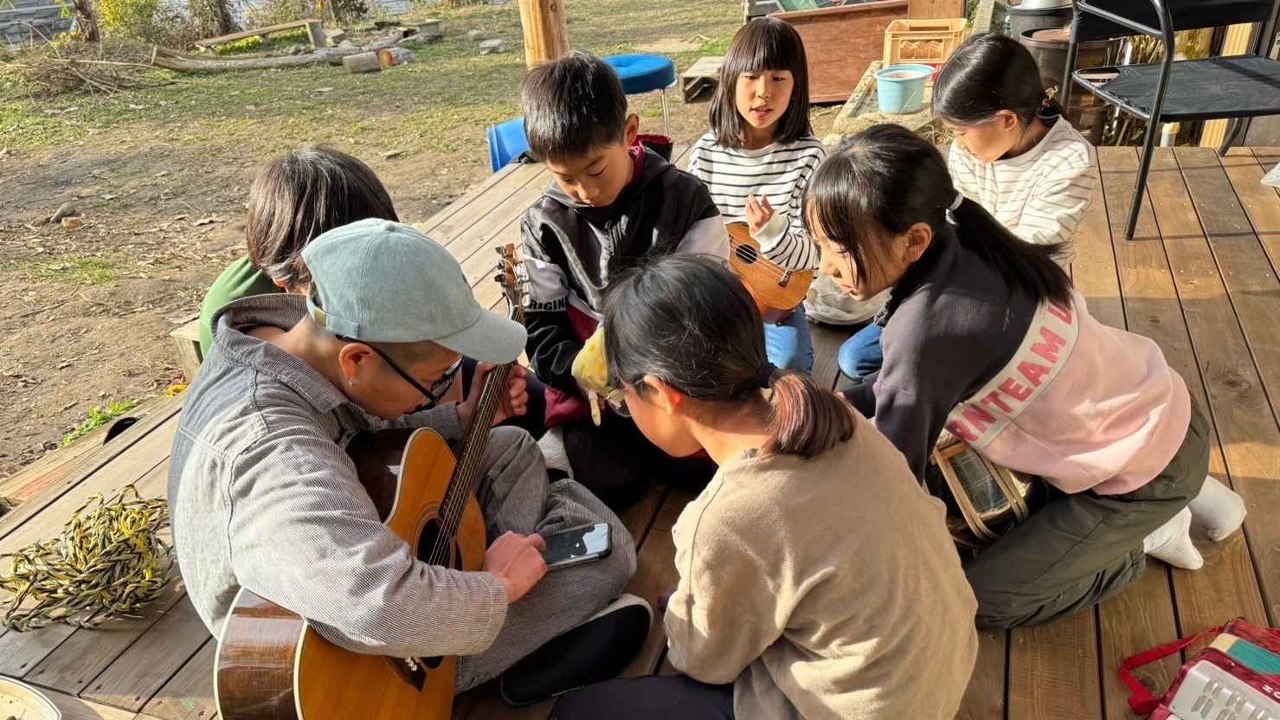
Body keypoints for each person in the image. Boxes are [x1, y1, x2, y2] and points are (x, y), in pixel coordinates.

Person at [169, 219, 650, 703]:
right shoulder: (276, 455)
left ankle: (499, 595)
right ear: (356, 360)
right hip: (354, 663)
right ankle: (501, 631)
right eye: (437, 379)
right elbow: (379, 608)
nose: (441, 388)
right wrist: (498, 584)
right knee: (609, 552)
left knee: (510, 447)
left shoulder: (300, 342)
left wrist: (459, 417)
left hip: (344, 555)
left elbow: (355, 437)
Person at [806, 124, 1247, 629]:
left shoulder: (926, 332)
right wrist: (840, 405)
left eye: (839, 249)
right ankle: (1181, 494)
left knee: (976, 601)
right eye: (820, 244)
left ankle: (1139, 541)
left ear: (914, 241)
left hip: (1136, 478)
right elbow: (897, 389)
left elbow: (892, 477)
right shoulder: (970, 240)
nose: (825, 267)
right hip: (1158, 408)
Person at [551, 255, 978, 720]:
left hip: (860, 708)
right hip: (936, 671)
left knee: (580, 711)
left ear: (661, 393)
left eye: (623, 396)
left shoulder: (726, 517)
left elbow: (701, 660)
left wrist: (687, 615)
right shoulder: (832, 413)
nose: (625, 408)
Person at [195, 146, 545, 435]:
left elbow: (417, 373)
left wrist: (457, 410)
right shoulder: (252, 349)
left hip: (390, 367)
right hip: (374, 382)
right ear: (288, 285)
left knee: (529, 399)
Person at [519, 51, 729, 508]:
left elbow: (708, 311)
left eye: (596, 169)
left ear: (630, 132)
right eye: (565, 178)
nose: (586, 190)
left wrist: (648, 383)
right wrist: (581, 375)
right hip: (596, 394)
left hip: (672, 377)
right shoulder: (544, 224)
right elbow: (543, 330)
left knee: (712, 466)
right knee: (610, 482)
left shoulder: (684, 201)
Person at [836, 34, 1097, 384]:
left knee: (927, 364)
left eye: (960, 132)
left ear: (1007, 120)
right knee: (854, 359)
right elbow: (954, 225)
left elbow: (1030, 259)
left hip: (1022, 298)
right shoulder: (970, 150)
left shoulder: (1070, 161)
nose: (956, 143)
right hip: (962, 282)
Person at [687, 18, 826, 373]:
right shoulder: (706, 153)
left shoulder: (809, 157)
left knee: (790, 366)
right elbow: (688, 237)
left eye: (778, 79)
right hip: (715, 301)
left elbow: (813, 254)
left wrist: (772, 234)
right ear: (730, 81)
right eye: (751, 77)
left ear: (797, 86)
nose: (763, 93)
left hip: (775, 302)